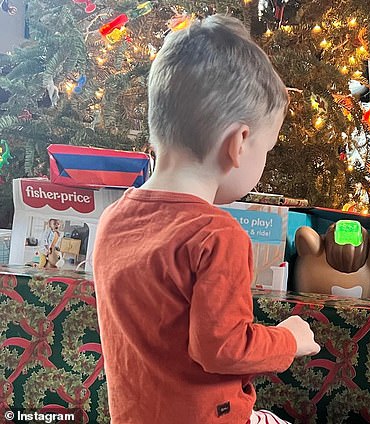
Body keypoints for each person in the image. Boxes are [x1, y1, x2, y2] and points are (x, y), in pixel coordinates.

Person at [93, 15, 320, 424]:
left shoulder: (113, 219)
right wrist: (290, 339)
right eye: (265, 149)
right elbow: (223, 349)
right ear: (239, 144)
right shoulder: (217, 236)